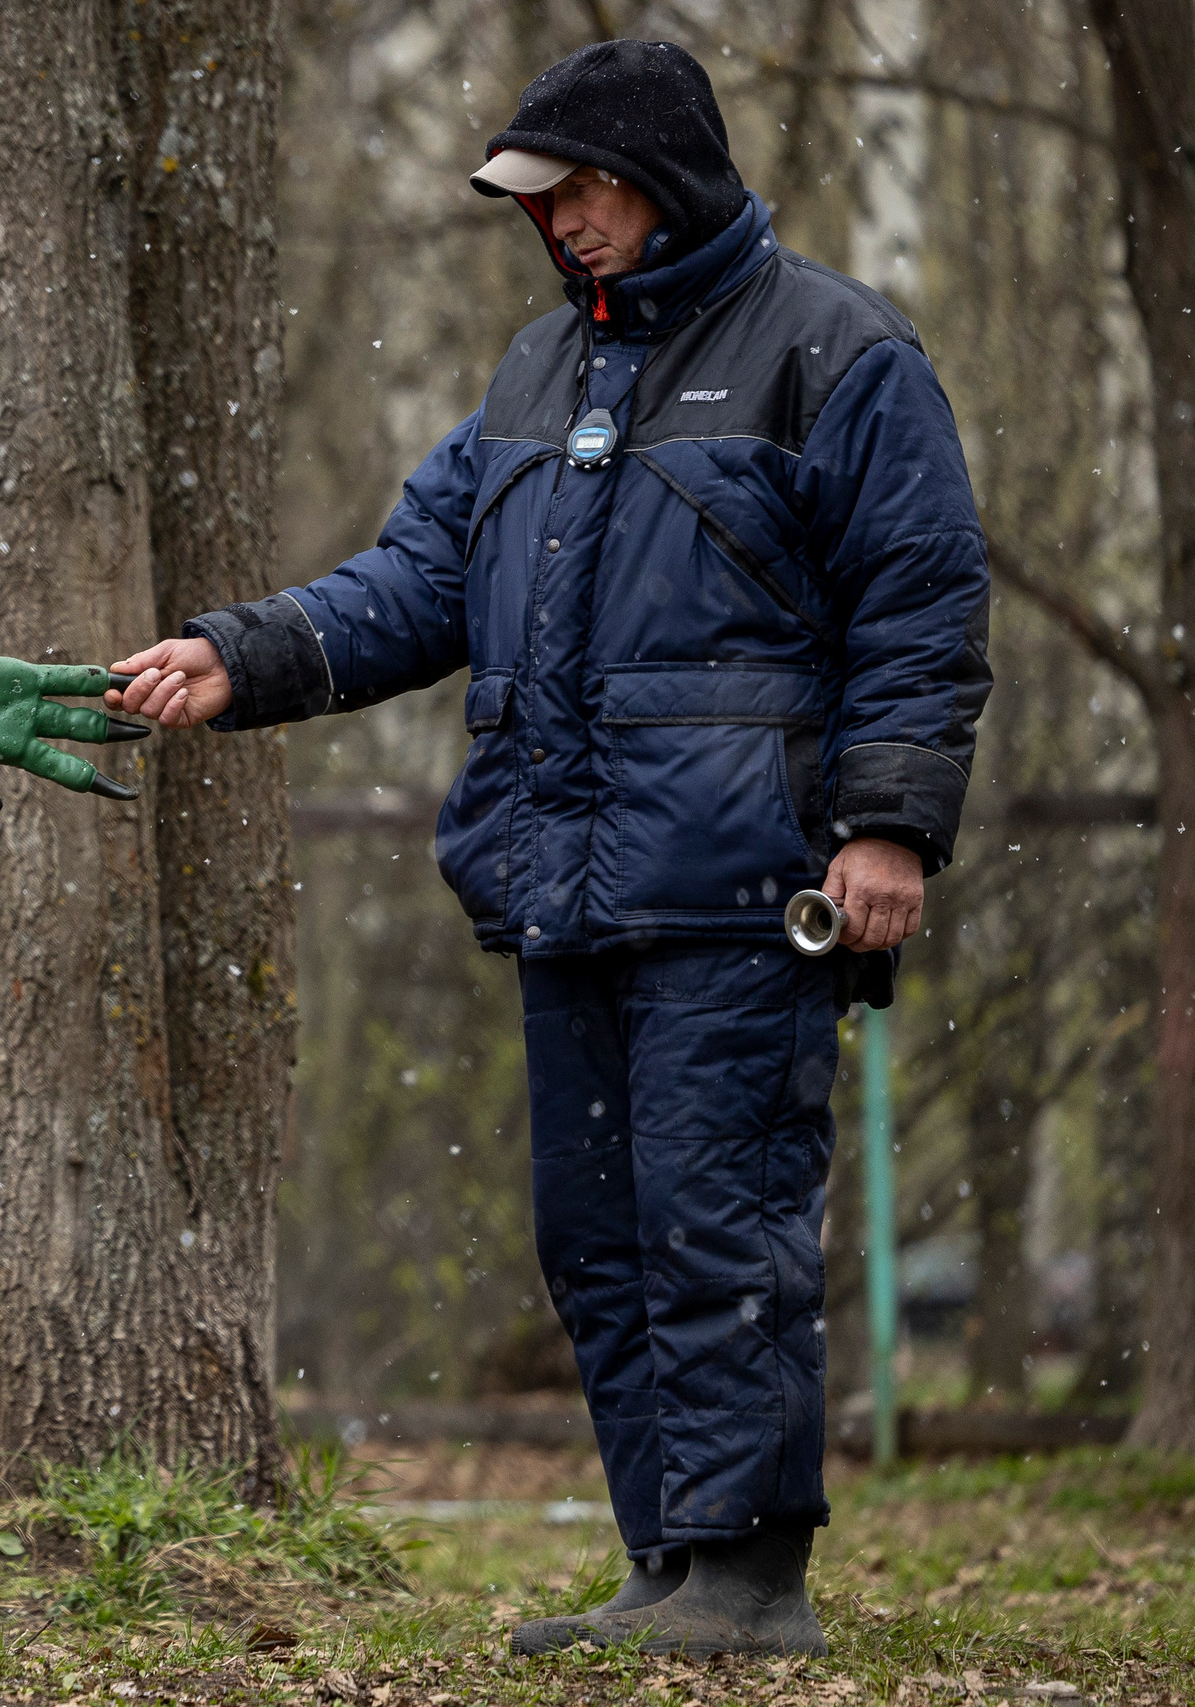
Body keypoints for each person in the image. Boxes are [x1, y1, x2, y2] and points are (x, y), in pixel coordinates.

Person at [110, 40, 989, 1658]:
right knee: (595, 1236)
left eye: (586, 188)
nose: (565, 222)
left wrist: (887, 826)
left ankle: (749, 1576)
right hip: (561, 886)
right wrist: (246, 656)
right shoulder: (535, 375)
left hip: (745, 889)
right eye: (546, 200)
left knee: (719, 1224)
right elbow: (417, 583)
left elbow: (921, 606)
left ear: (668, 177)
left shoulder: (838, 354)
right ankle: (669, 1561)